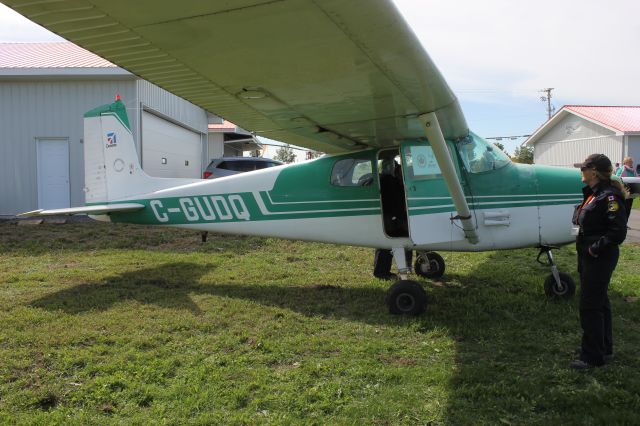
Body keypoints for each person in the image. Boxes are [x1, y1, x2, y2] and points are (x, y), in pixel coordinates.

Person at [571, 154, 628, 369]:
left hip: (599, 257)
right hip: (589, 257)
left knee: (590, 306)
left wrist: (595, 248)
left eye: (583, 168)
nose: (581, 172)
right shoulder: (594, 194)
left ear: (593, 171)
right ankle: (604, 349)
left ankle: (591, 357)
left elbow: (618, 232)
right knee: (600, 303)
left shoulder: (609, 197)